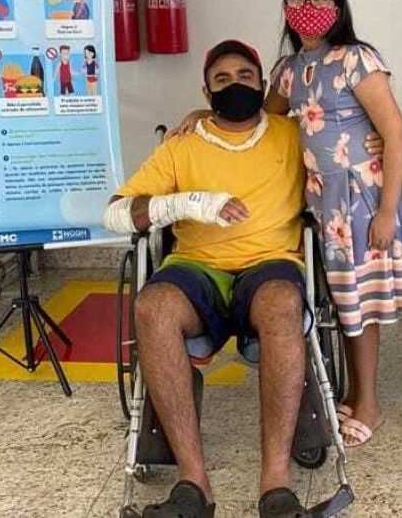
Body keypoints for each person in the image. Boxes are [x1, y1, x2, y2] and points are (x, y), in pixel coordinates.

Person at [172, 0, 402, 448]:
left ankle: (369, 403)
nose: (309, 6)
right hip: (319, 203)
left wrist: (387, 210)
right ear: (286, 6)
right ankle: (350, 393)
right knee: (341, 304)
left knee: (360, 306)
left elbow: (396, 131)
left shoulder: (356, 59)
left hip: (361, 202)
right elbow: (258, 123)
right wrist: (203, 110)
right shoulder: (287, 71)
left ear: (337, 5)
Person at [103, 40, 312, 517]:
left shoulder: (292, 135)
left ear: (263, 84)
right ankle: (193, 485)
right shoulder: (182, 144)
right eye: (222, 80)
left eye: (245, 76)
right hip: (197, 265)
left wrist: (374, 144)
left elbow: (346, 150)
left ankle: (276, 485)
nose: (235, 85)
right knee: (152, 307)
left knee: (282, 302)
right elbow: (116, 213)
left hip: (270, 263)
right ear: (206, 91)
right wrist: (190, 203)